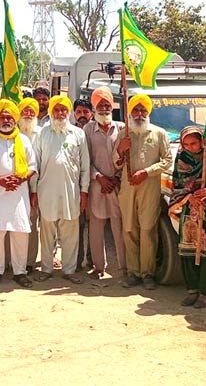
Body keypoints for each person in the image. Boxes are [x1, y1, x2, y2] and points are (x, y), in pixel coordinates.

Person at [114, 94, 172, 290]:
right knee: (129, 229)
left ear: (148, 113)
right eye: (136, 110)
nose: (139, 114)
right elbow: (115, 163)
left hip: (149, 186)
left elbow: (167, 161)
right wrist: (121, 150)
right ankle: (133, 272)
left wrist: (147, 172)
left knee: (148, 229)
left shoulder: (159, 133)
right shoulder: (124, 134)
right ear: (130, 113)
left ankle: (147, 273)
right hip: (128, 187)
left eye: (143, 110)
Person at [31, 95, 90, 284]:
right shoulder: (41, 133)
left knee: (71, 232)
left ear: (69, 112)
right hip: (46, 190)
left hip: (71, 191)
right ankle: (46, 269)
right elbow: (35, 164)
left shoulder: (77, 134)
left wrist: (84, 191)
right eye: (56, 109)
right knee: (47, 231)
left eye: (64, 110)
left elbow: (85, 166)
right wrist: (33, 191)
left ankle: (69, 269)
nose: (60, 113)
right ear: (51, 112)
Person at [0, 100, 37, 288]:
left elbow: (32, 167)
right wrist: (0, 181)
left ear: (15, 119)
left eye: (10, 117)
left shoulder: (23, 140)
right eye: (3, 117)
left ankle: (19, 272)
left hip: (18, 196)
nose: (6, 120)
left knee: (20, 233)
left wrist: (19, 180)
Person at [171, 126, 206, 309]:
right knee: (188, 249)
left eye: (193, 143)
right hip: (190, 206)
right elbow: (177, 183)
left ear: (202, 140)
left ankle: (204, 293)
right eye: (185, 144)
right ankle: (192, 290)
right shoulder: (181, 158)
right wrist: (190, 197)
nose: (190, 147)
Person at [83, 87, 126, 279]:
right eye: (100, 105)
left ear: (112, 106)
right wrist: (99, 177)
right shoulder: (87, 130)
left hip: (117, 184)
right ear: (94, 107)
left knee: (119, 226)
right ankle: (99, 267)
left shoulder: (122, 128)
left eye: (107, 104)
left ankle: (125, 268)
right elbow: (85, 160)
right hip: (97, 185)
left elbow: (128, 158)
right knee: (96, 226)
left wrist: (117, 178)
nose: (104, 108)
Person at [18, 97, 42, 273]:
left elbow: (38, 164)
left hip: (36, 186)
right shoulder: (12, 131)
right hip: (14, 186)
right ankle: (11, 261)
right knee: (13, 223)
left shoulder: (41, 133)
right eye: (25, 110)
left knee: (32, 224)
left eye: (31, 111)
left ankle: (29, 262)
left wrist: (34, 190)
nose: (28, 113)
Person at [71, 97, 94, 272]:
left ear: (91, 114)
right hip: (74, 187)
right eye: (79, 112)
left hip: (95, 186)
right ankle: (77, 261)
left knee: (93, 225)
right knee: (78, 226)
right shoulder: (69, 132)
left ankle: (92, 260)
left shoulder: (95, 131)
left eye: (85, 112)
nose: (82, 115)